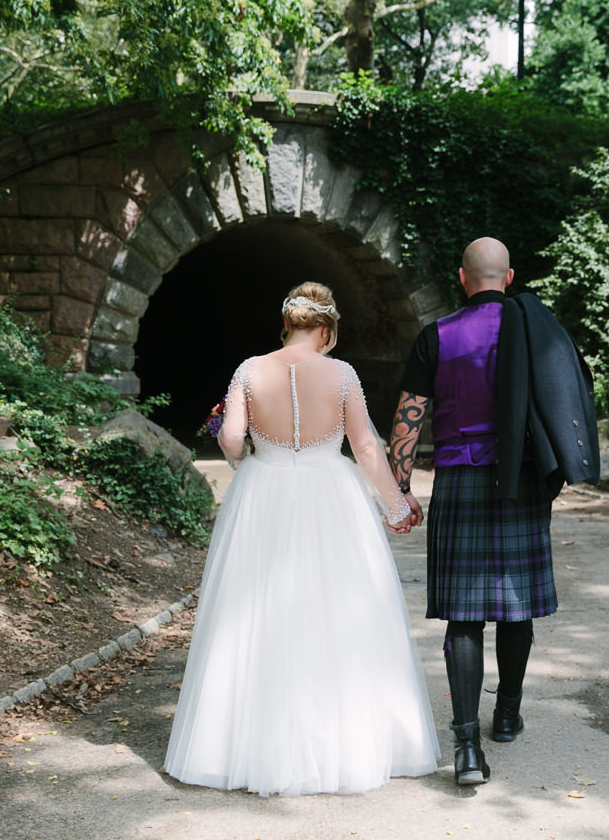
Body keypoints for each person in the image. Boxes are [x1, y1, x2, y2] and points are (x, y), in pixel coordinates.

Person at [164, 282, 441, 797]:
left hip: (262, 493)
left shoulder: (248, 370)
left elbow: (229, 438)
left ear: (287, 325)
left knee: (254, 614)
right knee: (338, 610)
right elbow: (363, 445)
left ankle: (243, 747)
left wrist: (244, 461)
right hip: (329, 493)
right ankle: (345, 744)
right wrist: (397, 504)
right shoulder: (341, 375)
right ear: (326, 330)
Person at [388, 237, 598, 786]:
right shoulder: (536, 328)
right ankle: (506, 714)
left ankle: (466, 749)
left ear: (463, 278)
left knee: (464, 613)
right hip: (522, 478)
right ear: (508, 278)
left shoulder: (436, 336)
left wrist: (400, 489)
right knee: (515, 600)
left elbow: (409, 416)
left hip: (459, 479)